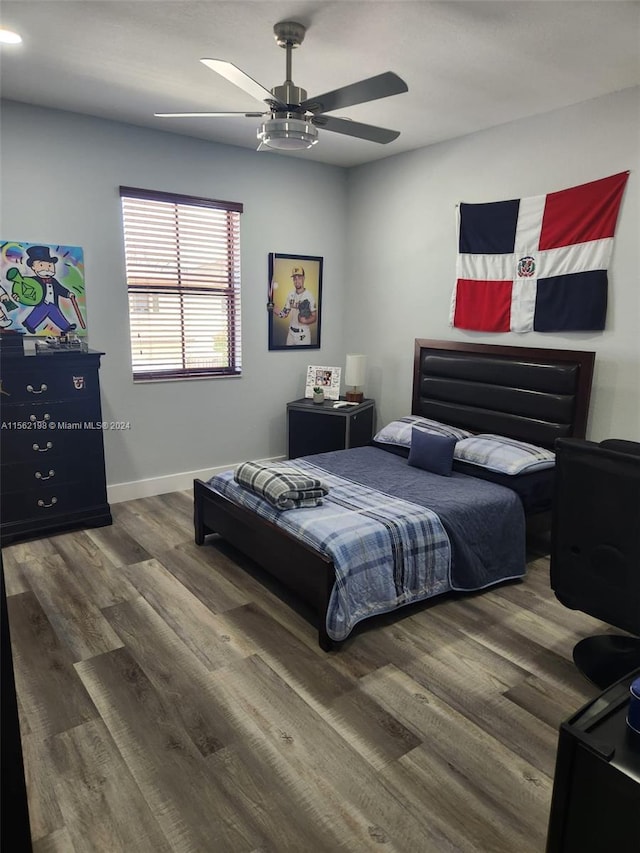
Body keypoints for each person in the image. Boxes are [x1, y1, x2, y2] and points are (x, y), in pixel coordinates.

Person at [14, 245, 77, 334]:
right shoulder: (33, 281)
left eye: (50, 265)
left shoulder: (53, 281)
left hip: (52, 303)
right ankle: (65, 327)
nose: (47, 269)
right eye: (41, 265)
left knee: (53, 312)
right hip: (41, 302)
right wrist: (18, 297)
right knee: (46, 311)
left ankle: (29, 324)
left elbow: (60, 289)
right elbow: (22, 286)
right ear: (33, 267)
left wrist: (68, 294)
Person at [277, 266, 317, 346]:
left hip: (303, 335)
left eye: (299, 278)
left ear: (304, 278)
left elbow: (314, 317)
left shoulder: (309, 296)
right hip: (291, 334)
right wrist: (274, 309)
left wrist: (305, 321)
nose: (297, 281)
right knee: (287, 357)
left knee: (303, 358)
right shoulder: (290, 294)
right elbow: (284, 314)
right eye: (295, 278)